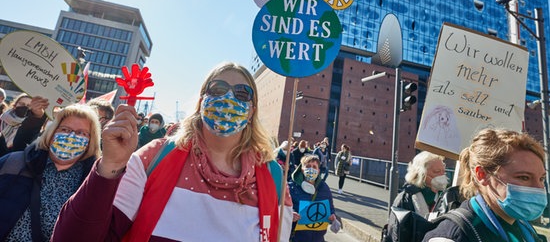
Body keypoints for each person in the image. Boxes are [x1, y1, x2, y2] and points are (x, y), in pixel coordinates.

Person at [52, 62, 294, 241]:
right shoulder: (153, 157)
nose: (229, 98)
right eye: (218, 89)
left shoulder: (274, 179)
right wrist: (109, 166)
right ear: (202, 102)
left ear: (252, 110)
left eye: (242, 94)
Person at [423, 128, 548, 241]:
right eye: (524, 177)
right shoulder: (453, 236)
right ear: (482, 175)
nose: (539, 188)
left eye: (541, 178)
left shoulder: (523, 226)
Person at [0, 103, 101, 241]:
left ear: (91, 141)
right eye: (65, 129)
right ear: (52, 132)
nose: (71, 136)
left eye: (81, 133)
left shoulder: (91, 182)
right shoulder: (14, 163)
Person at [288, 154, 337, 242]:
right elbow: (282, 208)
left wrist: (333, 218)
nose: (311, 169)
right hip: (297, 237)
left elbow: (330, 208)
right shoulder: (291, 187)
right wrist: (290, 214)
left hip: (318, 238)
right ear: (302, 169)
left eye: (314, 167)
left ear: (318, 171)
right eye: (308, 166)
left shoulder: (324, 188)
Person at [392, 151, 448, 218]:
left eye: (443, 171)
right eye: (437, 171)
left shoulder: (446, 196)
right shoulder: (405, 199)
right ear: (422, 174)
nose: (442, 176)